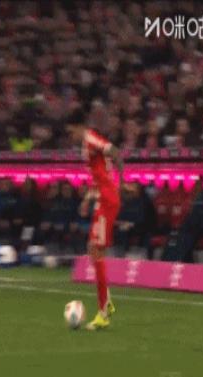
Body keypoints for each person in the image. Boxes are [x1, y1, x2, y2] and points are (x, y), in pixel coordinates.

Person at [67, 116, 123, 330]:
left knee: (94, 250)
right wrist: (86, 199)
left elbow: (114, 151)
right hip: (103, 198)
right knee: (95, 251)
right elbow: (99, 178)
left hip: (107, 200)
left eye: (71, 131)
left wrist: (121, 182)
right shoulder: (86, 145)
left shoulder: (91, 138)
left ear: (79, 126)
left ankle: (103, 313)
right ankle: (106, 304)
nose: (70, 136)